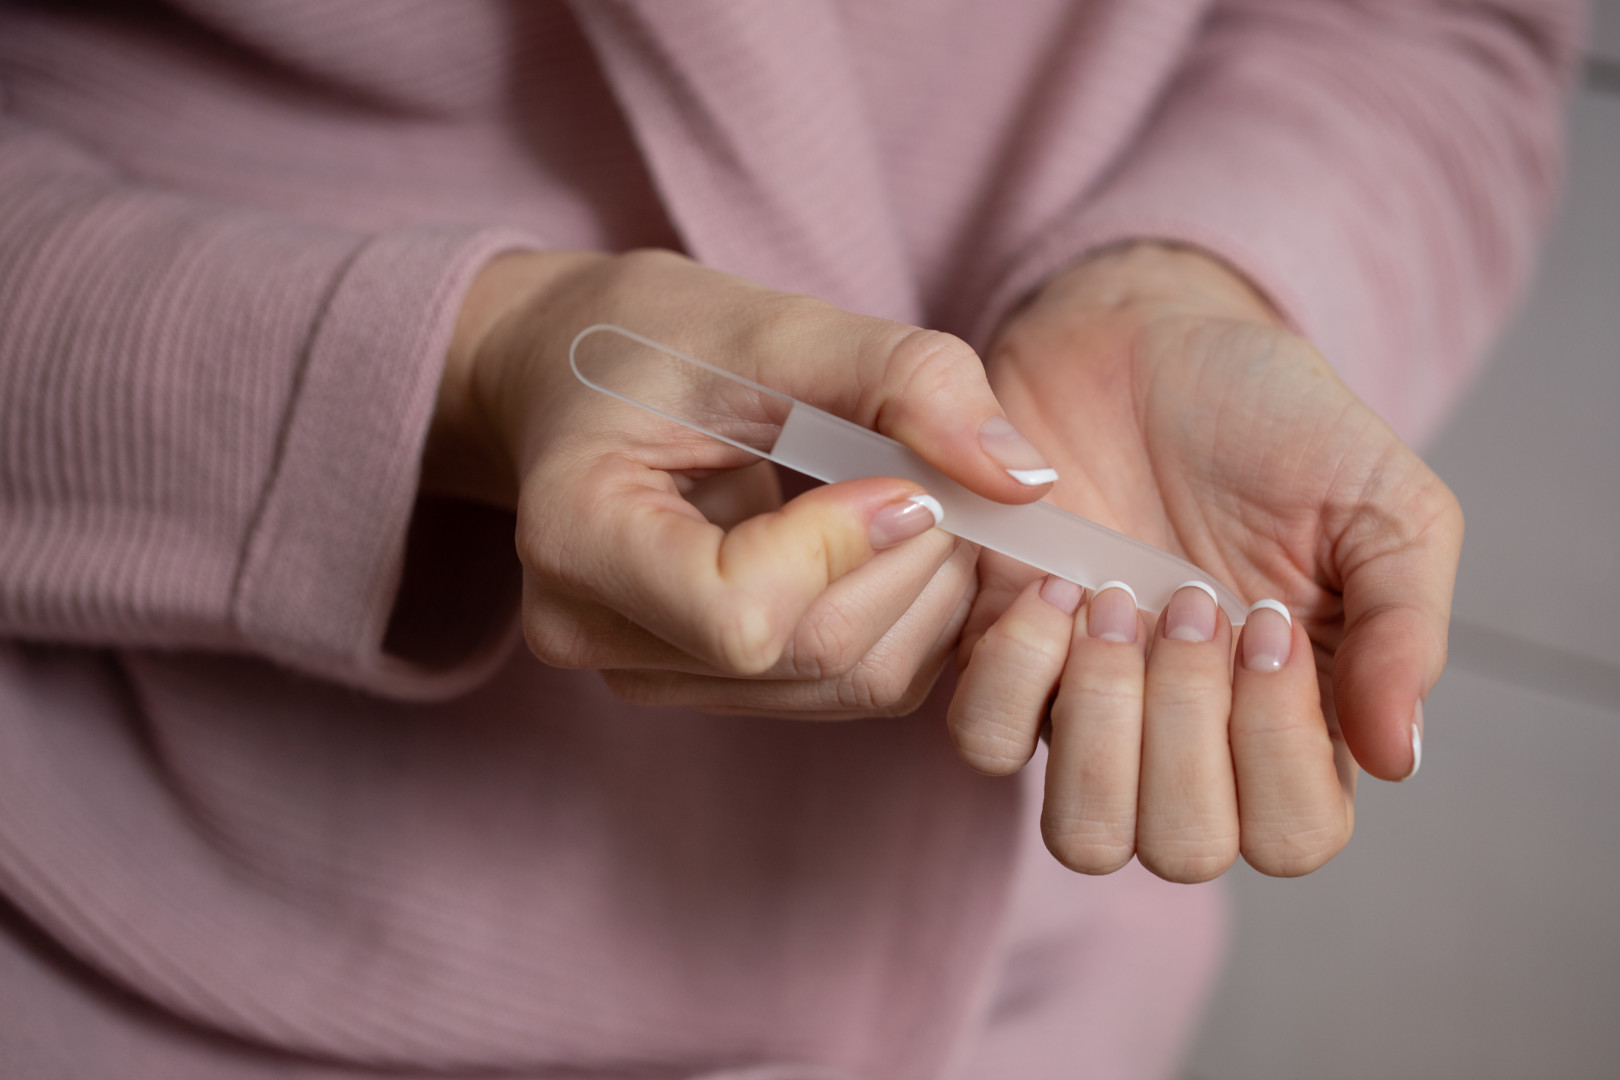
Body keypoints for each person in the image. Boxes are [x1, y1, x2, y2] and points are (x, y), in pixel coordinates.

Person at [0, 1, 1581, 1076]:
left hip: (1023, 980)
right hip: (157, 950)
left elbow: (1435, 29)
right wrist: (460, 372)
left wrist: (1196, 275)